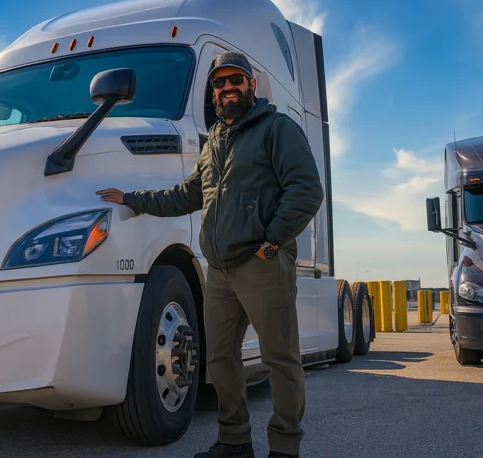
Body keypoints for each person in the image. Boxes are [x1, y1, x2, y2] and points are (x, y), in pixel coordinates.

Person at [96, 50, 324, 458]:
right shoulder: (215, 139)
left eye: (235, 79)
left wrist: (272, 241)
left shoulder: (276, 129)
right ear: (213, 91)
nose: (227, 88)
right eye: (220, 82)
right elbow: (187, 194)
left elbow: (307, 189)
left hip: (261, 265)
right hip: (219, 270)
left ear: (251, 84)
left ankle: (285, 448)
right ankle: (234, 443)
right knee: (219, 360)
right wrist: (133, 199)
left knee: (280, 359)